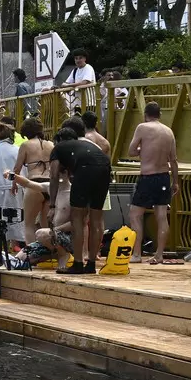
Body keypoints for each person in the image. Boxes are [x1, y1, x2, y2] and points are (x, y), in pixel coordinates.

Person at [51, 118, 112, 275]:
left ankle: (78, 263)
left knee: (77, 218)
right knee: (96, 218)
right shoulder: (87, 144)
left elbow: (53, 176)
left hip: (86, 169)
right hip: (105, 167)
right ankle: (91, 264)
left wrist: (52, 204)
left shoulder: (58, 148)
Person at [126, 101, 180, 264]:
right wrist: (176, 182)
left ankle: (136, 254)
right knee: (162, 216)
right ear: (160, 115)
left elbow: (131, 151)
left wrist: (143, 150)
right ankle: (159, 254)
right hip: (164, 177)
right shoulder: (169, 131)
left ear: (145, 114)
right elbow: (174, 160)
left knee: (135, 214)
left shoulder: (142, 127)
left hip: (148, 177)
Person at [9, 119, 52, 235]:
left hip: (34, 184)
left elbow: (16, 169)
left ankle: (31, 252)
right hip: (49, 185)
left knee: (29, 224)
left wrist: (14, 185)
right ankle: (49, 251)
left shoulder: (25, 145)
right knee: (46, 225)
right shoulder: (51, 144)